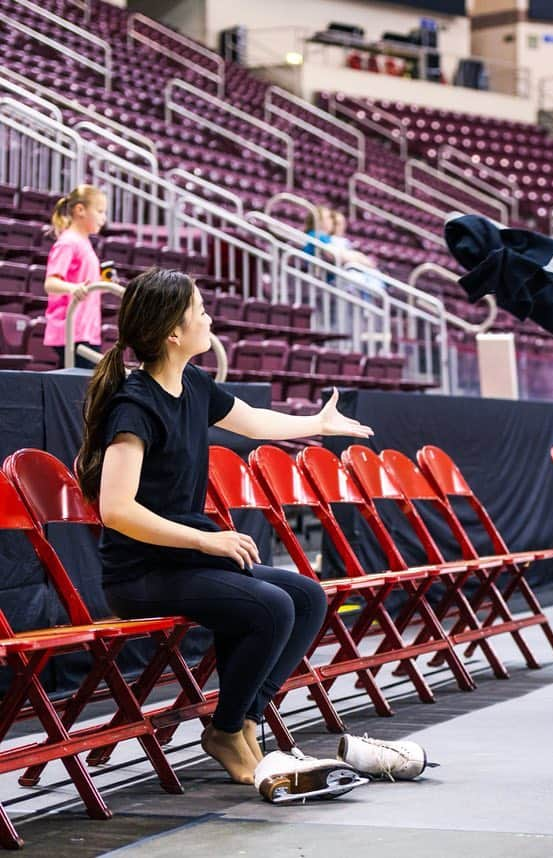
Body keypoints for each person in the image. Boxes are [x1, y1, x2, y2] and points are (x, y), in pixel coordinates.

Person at [75, 268, 375, 785]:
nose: (209, 316)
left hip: (184, 561)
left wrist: (317, 425)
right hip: (140, 574)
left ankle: (242, 724)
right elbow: (117, 510)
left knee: (307, 596)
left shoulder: (192, 382)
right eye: (200, 309)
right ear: (174, 332)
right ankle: (227, 730)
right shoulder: (135, 406)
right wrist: (203, 537)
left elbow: (255, 421)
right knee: (271, 605)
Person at [43, 185, 108, 369]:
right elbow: (51, 282)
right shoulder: (68, 242)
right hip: (71, 331)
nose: (104, 218)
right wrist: (73, 288)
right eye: (100, 211)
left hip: (87, 330)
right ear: (80, 210)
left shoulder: (84, 243)